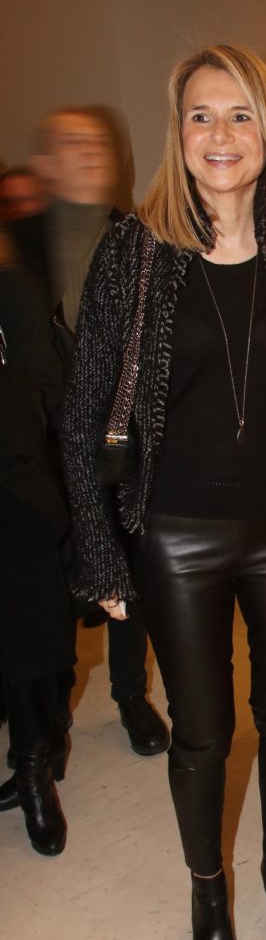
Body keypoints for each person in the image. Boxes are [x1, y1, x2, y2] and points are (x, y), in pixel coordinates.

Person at [62, 44, 266, 940]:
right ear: (177, 133)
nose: (221, 134)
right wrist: (102, 554)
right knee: (202, 731)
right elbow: (83, 409)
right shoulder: (133, 251)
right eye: (200, 115)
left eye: (241, 114)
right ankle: (207, 886)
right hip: (175, 533)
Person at [9, 107, 168, 755]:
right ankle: (50, 712)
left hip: (116, 437)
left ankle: (130, 696)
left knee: (124, 557)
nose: (89, 154)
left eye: (98, 144)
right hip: (38, 441)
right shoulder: (17, 244)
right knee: (46, 577)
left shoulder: (138, 241)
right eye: (71, 144)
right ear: (46, 163)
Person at [0, 256, 75, 855]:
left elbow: (48, 394)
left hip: (15, 479)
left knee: (26, 629)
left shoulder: (13, 290)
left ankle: (33, 765)